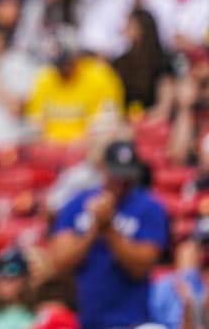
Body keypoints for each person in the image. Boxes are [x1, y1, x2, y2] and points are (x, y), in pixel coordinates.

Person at [49, 140, 169, 329]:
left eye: (126, 175)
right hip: (84, 319)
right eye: (115, 173)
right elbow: (61, 262)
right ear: (102, 168)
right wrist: (94, 229)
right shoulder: (77, 205)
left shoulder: (150, 207)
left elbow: (141, 267)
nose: (121, 181)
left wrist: (110, 228)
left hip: (132, 321)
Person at [0, 248, 35, 329]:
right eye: (1, 276)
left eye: (12, 277)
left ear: (25, 279)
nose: (5, 282)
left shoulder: (36, 310)